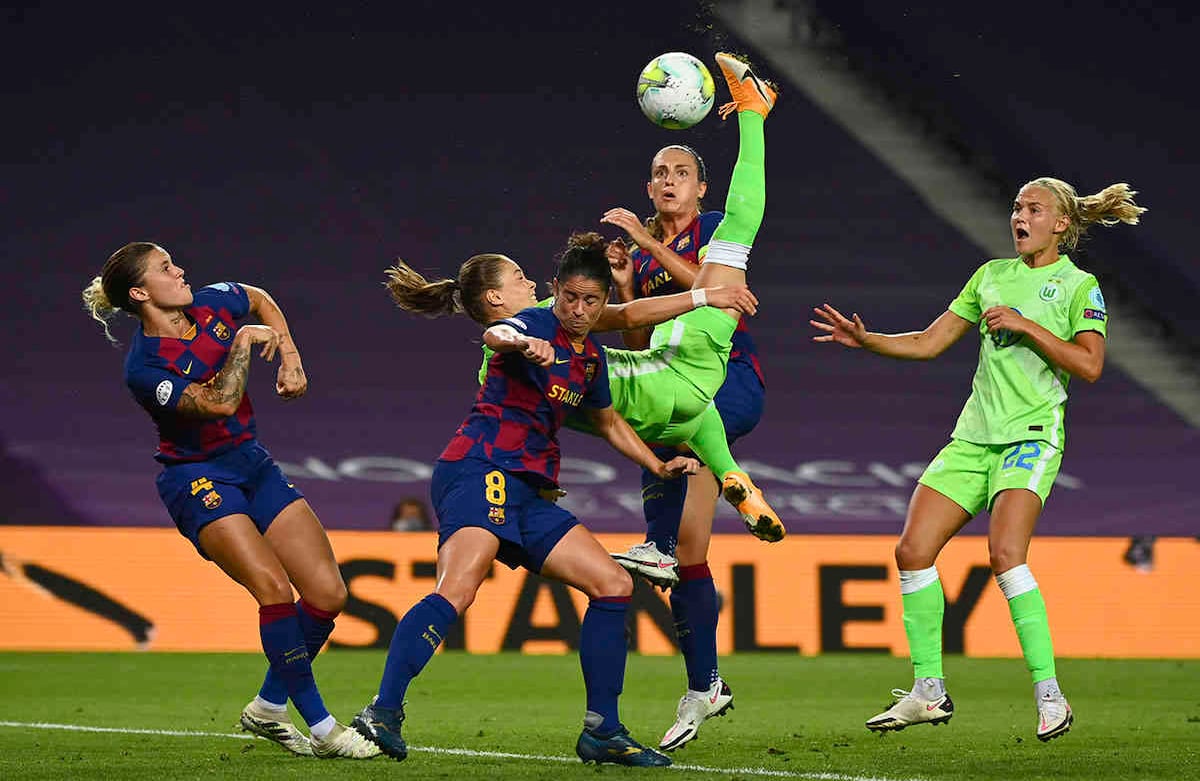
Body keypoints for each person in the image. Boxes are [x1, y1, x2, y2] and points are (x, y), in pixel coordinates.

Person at [810, 178, 1146, 741]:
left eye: (1033, 209)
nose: (1020, 216)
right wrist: (867, 341)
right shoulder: (990, 277)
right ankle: (928, 692)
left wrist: (1027, 325)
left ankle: (1050, 696)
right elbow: (928, 341)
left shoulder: (1077, 285)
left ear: (1060, 224)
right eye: (1016, 207)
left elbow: (1089, 366)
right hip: (973, 439)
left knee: (1006, 554)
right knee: (912, 550)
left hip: (1031, 438)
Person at [352, 236, 703, 767]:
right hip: (480, 469)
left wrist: (658, 466)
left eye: (591, 302)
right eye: (566, 298)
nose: (577, 309)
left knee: (612, 585)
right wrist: (519, 344)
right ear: (555, 294)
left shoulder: (587, 355)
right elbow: (498, 334)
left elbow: (608, 421)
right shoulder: (534, 325)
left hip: (529, 490)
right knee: (460, 588)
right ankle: (382, 712)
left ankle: (602, 731)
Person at [82, 243, 378, 759]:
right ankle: (325, 728)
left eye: (174, 263)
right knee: (273, 589)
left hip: (252, 464)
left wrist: (290, 356)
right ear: (139, 293)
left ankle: (267, 707)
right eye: (165, 269)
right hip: (196, 478)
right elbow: (217, 403)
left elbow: (259, 298)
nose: (180, 272)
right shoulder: (147, 367)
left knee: (328, 596)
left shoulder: (211, 303)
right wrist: (243, 342)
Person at [600, 51, 776, 751]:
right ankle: (706, 682)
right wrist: (622, 285)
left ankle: (692, 515)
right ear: (650, 183)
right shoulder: (642, 257)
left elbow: (708, 283)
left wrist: (645, 239)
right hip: (668, 392)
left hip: (725, 382)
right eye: (661, 173)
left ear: (703, 188)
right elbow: (640, 332)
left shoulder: (709, 234)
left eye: (682, 173)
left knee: (674, 542)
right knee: (691, 556)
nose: (669, 181)